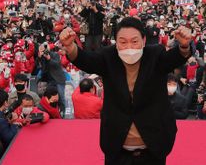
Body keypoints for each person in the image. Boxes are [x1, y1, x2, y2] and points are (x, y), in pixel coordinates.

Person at [60, 17, 192, 165]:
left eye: (134, 41)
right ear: (116, 43)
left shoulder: (155, 55)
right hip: (117, 149)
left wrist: (184, 46)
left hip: (153, 147)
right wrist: (70, 46)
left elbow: (174, 58)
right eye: (123, 42)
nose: (129, 47)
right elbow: (88, 61)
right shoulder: (108, 57)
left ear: (143, 40)